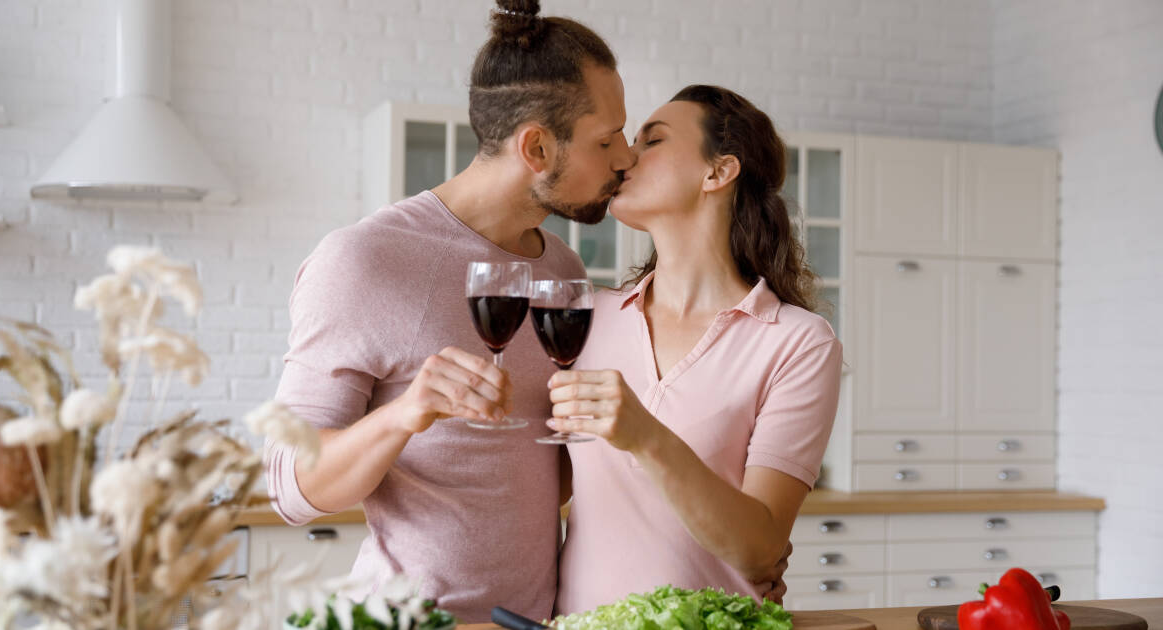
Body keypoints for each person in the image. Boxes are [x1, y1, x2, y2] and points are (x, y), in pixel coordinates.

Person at [263, 1, 633, 621]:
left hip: (536, 618)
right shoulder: (365, 260)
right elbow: (288, 488)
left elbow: (536, 475)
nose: (624, 157)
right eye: (606, 138)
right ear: (537, 148)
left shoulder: (562, 270)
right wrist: (405, 415)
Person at [549, 85, 843, 614]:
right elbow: (542, 484)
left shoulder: (797, 342)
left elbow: (759, 549)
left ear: (718, 172)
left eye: (652, 140)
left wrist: (645, 437)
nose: (626, 157)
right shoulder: (583, 319)